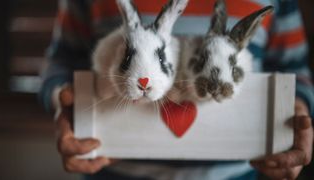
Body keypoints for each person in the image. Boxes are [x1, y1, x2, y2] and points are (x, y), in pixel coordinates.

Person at [40, 0, 314, 179]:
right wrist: (63, 102)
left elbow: (295, 70)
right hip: (111, 171)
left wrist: (296, 114)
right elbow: (60, 62)